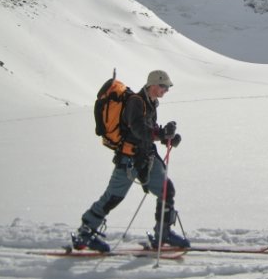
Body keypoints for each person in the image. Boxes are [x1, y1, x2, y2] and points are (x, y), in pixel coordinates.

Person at [72, 70, 190, 252]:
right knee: (113, 197)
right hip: (129, 159)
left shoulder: (151, 103)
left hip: (145, 157)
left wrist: (167, 139)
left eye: (167, 87)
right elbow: (138, 130)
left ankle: (163, 233)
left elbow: (148, 130)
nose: (166, 90)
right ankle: (85, 232)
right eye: (163, 86)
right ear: (153, 85)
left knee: (167, 190)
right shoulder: (136, 101)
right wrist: (160, 134)